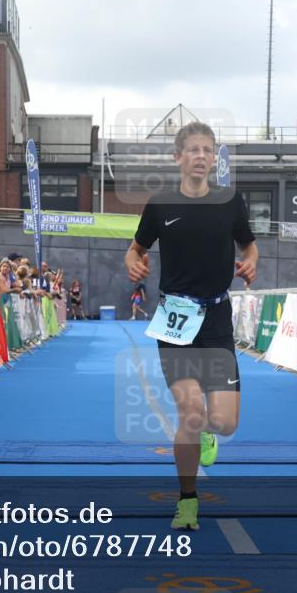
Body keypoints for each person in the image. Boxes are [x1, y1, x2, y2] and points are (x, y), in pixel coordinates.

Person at [124, 121, 258, 531]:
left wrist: (251, 260)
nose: (202, 156)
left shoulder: (231, 202)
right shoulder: (161, 204)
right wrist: (133, 262)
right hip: (176, 321)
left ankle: (209, 434)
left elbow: (248, 243)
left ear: (214, 157)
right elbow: (136, 248)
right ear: (178, 157)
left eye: (208, 150)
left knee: (224, 422)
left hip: (217, 319)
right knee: (191, 412)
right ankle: (187, 501)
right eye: (194, 149)